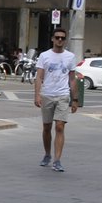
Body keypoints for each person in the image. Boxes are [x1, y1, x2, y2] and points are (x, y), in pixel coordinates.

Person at [34, 28, 80, 172]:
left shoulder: (70, 57)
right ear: (53, 39)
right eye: (57, 37)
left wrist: (75, 99)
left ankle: (57, 160)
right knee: (47, 127)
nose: (60, 40)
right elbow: (39, 77)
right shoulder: (44, 56)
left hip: (63, 95)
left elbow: (72, 79)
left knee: (60, 127)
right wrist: (37, 95)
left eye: (62, 38)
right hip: (47, 94)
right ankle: (47, 154)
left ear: (65, 40)